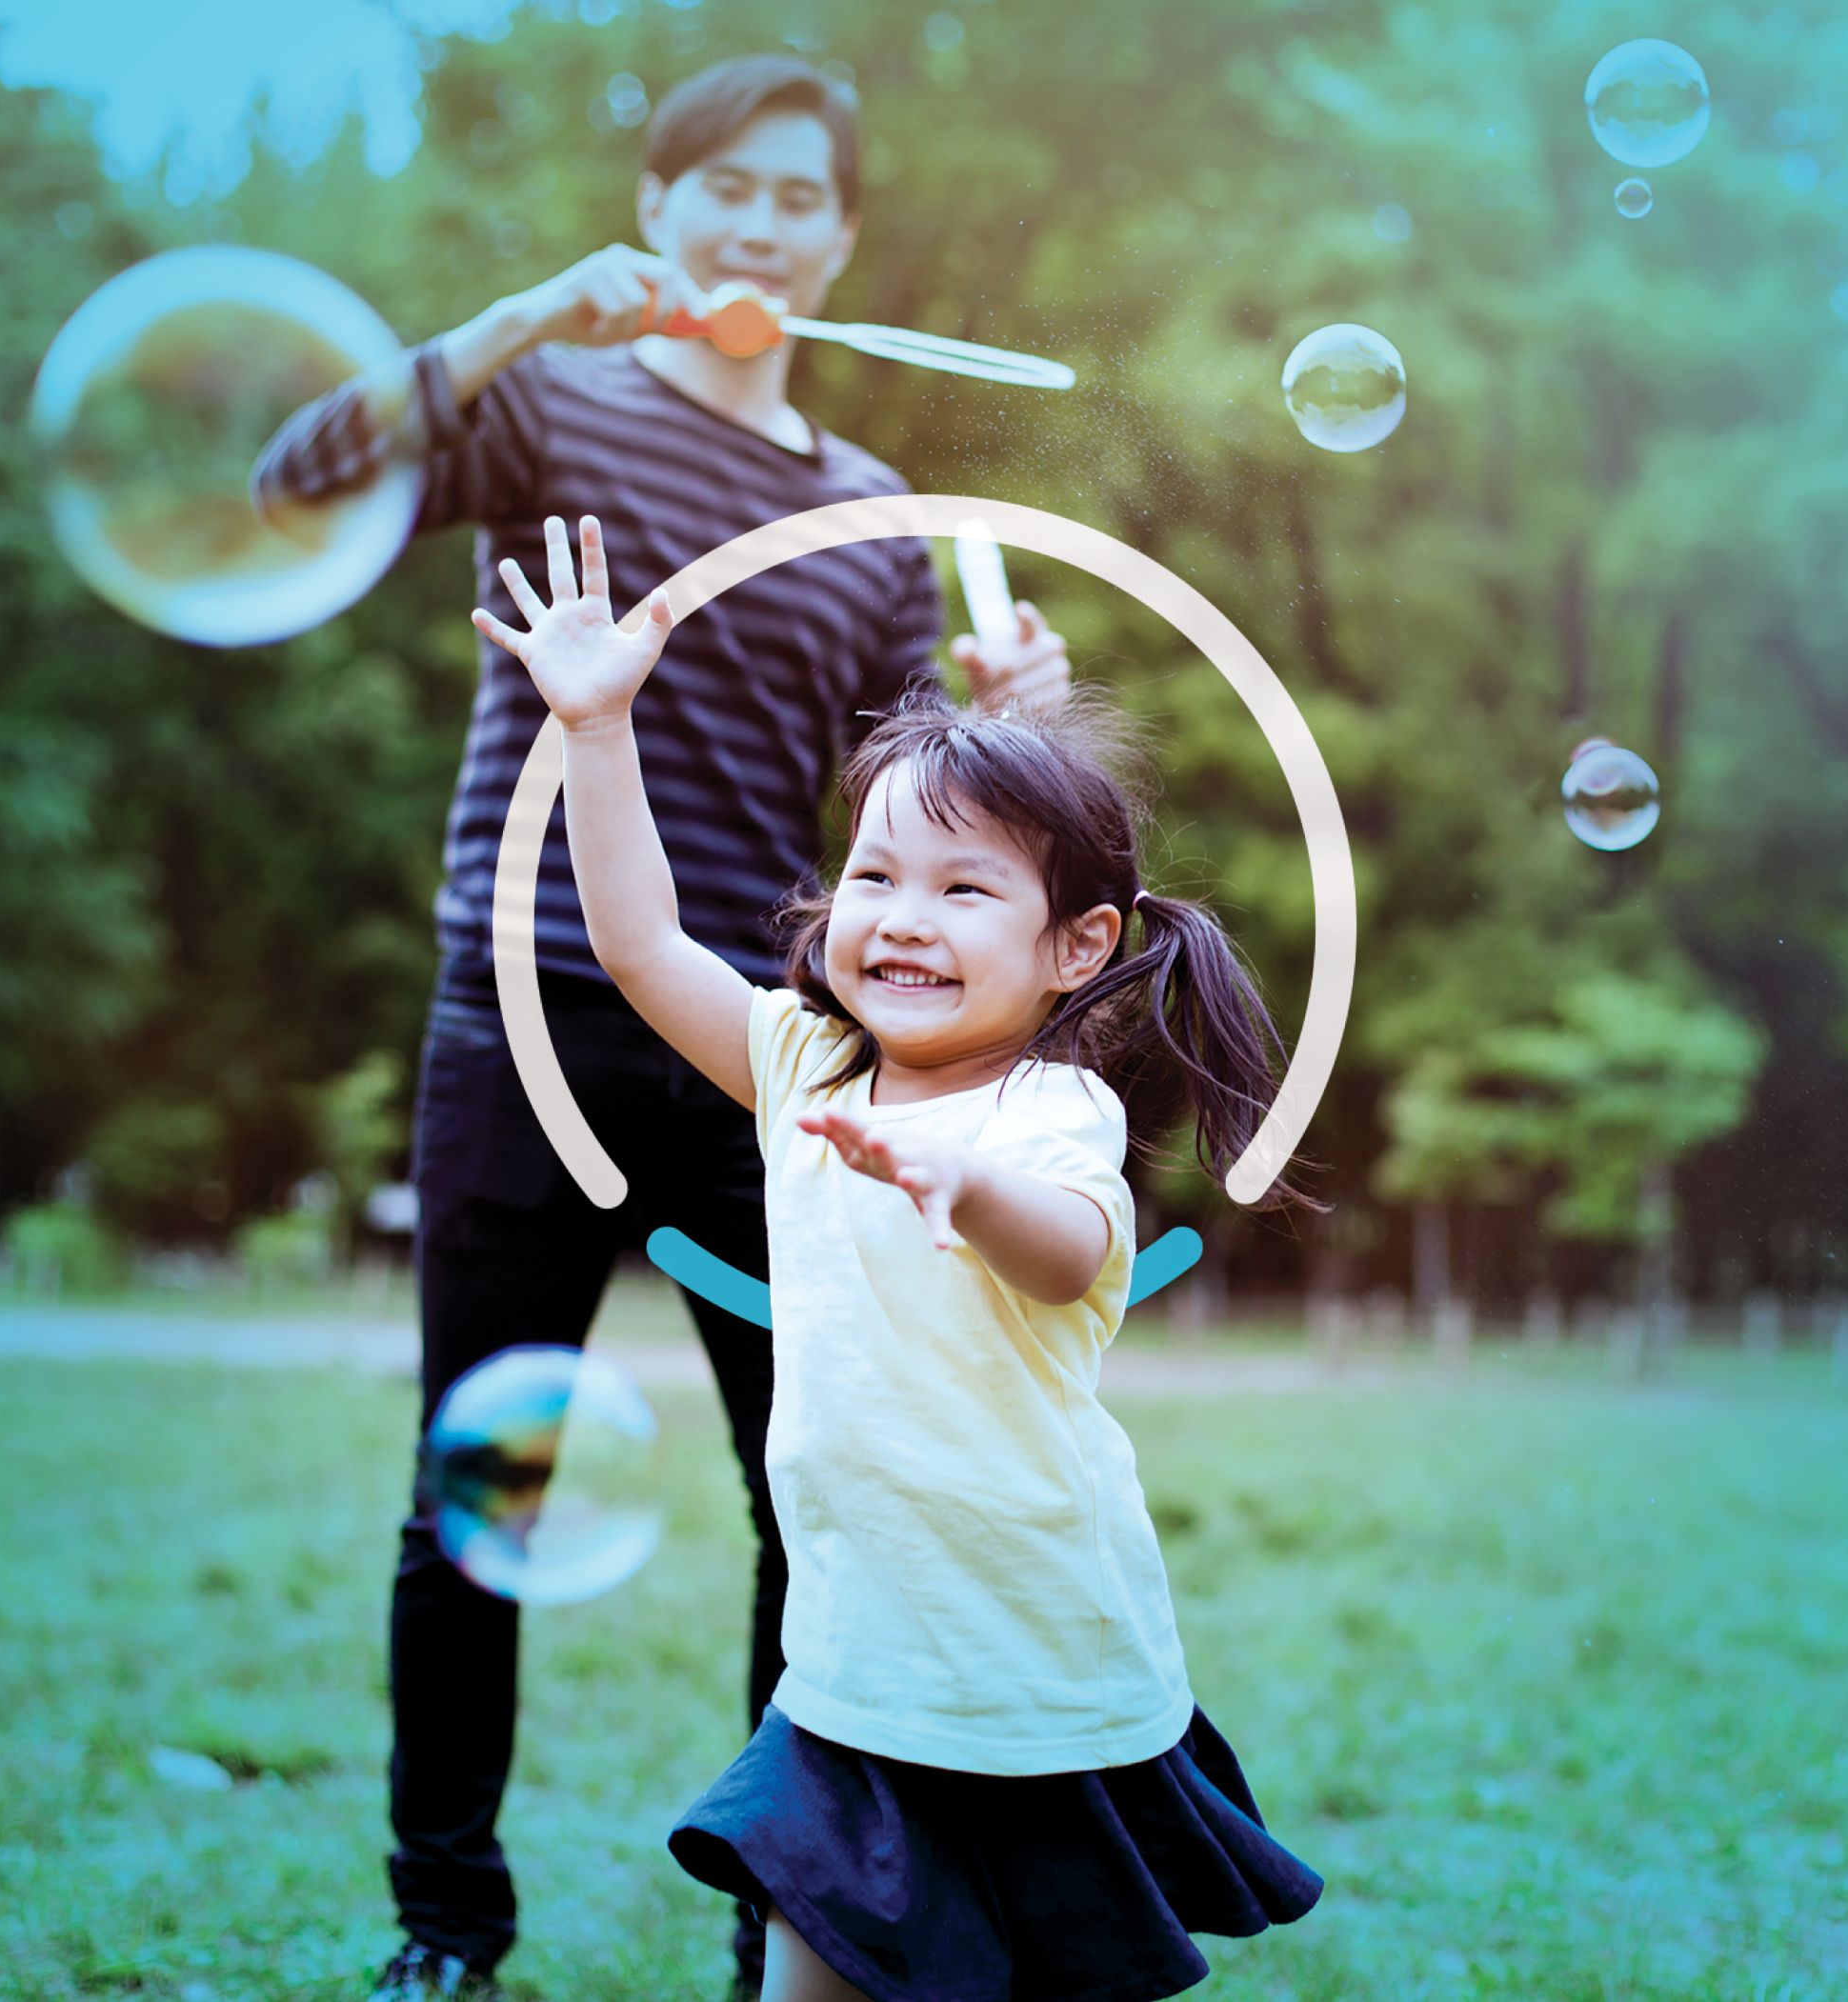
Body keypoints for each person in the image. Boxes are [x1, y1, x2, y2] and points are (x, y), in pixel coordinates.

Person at [253, 55, 1072, 2002]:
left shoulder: (870, 513)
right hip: (514, 1014)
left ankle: (788, 1929)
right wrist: (531, 309)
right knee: (476, 1500)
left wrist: (1008, 712)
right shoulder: (550, 405)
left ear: (840, 236)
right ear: (659, 202)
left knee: (824, 1493)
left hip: (748, 1057)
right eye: (721, 186)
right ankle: (444, 1922)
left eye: (796, 196)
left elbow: (907, 830)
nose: (757, 223)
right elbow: (301, 474)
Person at [469, 512, 1328, 2002]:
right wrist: (598, 726)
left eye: (963, 888)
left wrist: (966, 1177)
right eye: (875, 877)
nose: (902, 919)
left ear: (1079, 944)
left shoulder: (1051, 1109)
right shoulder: (806, 1060)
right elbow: (641, 947)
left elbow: (1066, 1256)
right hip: (858, 1671)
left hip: (1039, 1675)